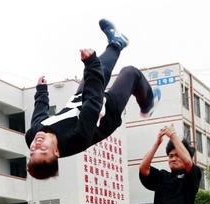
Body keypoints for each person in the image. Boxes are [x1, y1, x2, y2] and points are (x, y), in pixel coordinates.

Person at [25, 19, 160, 179]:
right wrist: (90, 64)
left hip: (80, 101)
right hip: (105, 114)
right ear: (56, 152)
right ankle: (148, 104)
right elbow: (93, 103)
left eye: (33, 151)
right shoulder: (75, 139)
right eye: (43, 150)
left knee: (99, 69)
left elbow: (39, 115)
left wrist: (41, 91)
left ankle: (117, 42)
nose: (37, 145)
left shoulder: (32, 135)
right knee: (130, 73)